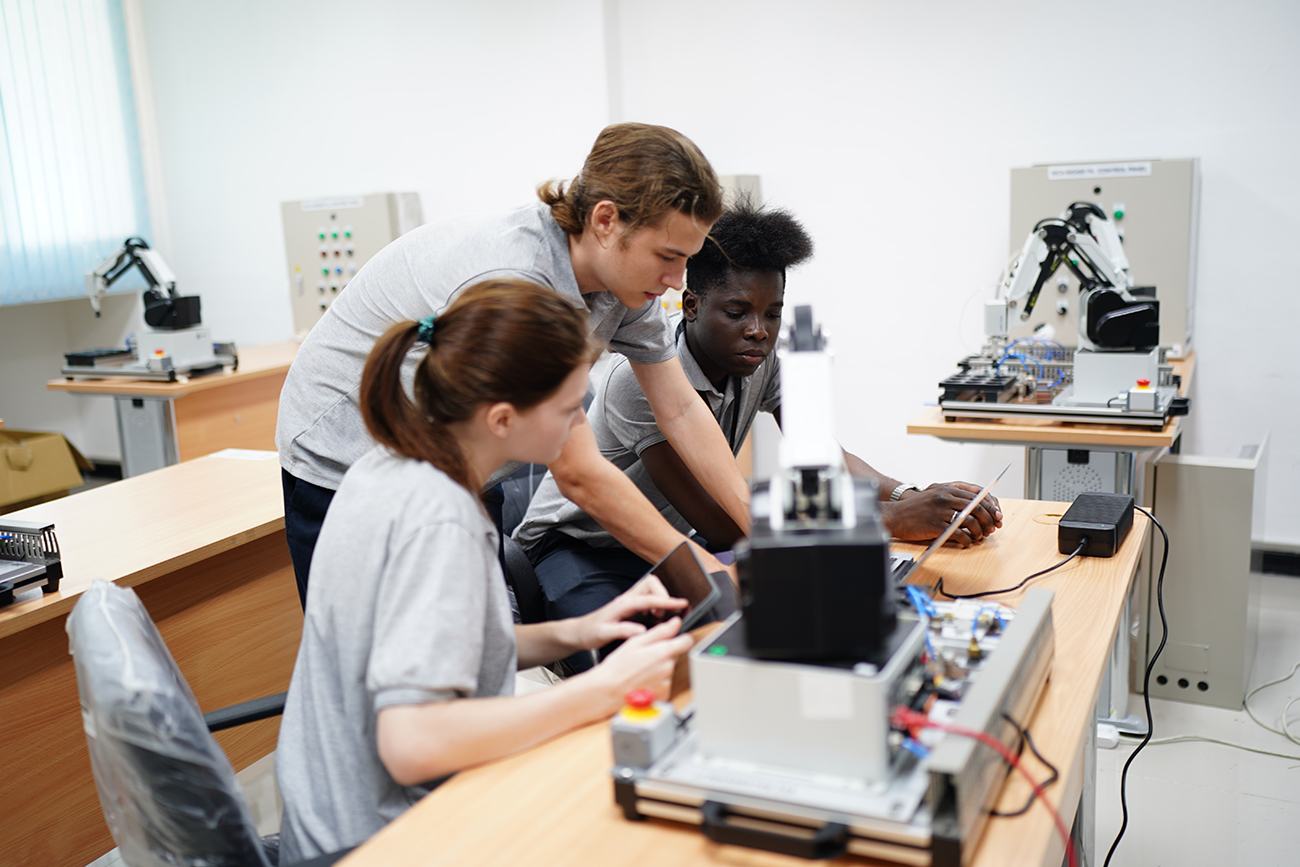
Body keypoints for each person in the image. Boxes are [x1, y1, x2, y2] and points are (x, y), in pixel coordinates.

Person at [275, 281, 695, 862]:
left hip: (325, 813)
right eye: (570, 407)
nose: (582, 421)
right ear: (502, 419)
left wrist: (578, 632)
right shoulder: (439, 520)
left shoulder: (387, 467)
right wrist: (601, 690)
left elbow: (442, 645)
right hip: (375, 840)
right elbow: (413, 744)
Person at [275, 123, 751, 607]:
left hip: (458, 462)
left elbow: (680, 410)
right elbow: (579, 472)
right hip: (347, 457)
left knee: (476, 632)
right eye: (668, 257)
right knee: (382, 653)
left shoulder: (625, 279)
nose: (675, 281)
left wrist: (759, 531)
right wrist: (706, 570)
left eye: (686, 261)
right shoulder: (519, 282)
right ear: (606, 220)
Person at [514, 200, 1002, 645]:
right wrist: (890, 521)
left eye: (773, 314)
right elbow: (721, 522)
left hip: (667, 544)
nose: (759, 331)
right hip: (578, 548)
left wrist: (906, 494)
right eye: (737, 311)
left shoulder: (758, 361)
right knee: (625, 662)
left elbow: (826, 454)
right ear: (691, 305)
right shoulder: (638, 380)